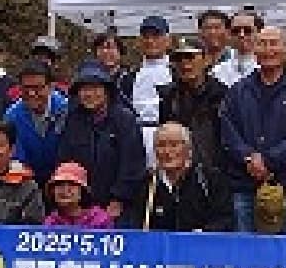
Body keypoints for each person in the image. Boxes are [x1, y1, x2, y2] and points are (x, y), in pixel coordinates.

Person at [219, 26, 286, 234]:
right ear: (254, 50)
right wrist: (248, 157)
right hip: (243, 183)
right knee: (245, 249)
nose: (268, 49)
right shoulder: (238, 90)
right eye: (262, 44)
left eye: (274, 43)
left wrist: (269, 160)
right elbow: (227, 129)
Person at [56, 62, 147, 222]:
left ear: (107, 91)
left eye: (95, 88)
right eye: (84, 89)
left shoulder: (125, 119)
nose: (89, 94)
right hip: (80, 206)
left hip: (120, 207)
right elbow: (65, 163)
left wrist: (119, 198)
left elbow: (133, 164)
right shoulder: (71, 121)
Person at [125, 123, 234, 232]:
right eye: (161, 145)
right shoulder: (145, 184)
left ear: (188, 148)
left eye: (174, 145)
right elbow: (136, 226)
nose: (167, 152)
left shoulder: (210, 180)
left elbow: (224, 220)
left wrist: (201, 234)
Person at [158, 36, 226, 177]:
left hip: (215, 174)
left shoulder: (222, 95)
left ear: (206, 60)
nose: (184, 63)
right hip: (179, 173)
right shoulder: (168, 97)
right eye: (179, 58)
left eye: (190, 57)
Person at [5, 61, 68, 182]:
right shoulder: (12, 116)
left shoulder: (67, 111)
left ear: (51, 86)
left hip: (63, 180)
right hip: (27, 181)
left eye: (37, 88)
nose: (32, 94)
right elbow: (16, 158)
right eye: (26, 88)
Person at [123, 15, 174, 159]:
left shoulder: (177, 73)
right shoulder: (129, 77)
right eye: (146, 36)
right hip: (135, 138)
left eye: (156, 36)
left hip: (169, 139)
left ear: (168, 40)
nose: (150, 41)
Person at [44, 161, 116, 228]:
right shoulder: (50, 222)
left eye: (72, 185)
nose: (65, 190)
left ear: (82, 191)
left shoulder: (100, 219)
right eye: (60, 185)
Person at [210, 10, 260, 86]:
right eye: (236, 31)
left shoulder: (268, 69)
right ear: (229, 34)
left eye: (248, 30)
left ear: (259, 33)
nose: (241, 35)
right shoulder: (217, 72)